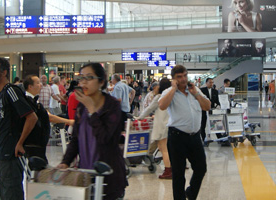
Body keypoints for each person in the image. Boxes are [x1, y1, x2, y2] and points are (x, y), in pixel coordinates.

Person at [57, 63, 128, 199]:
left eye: (89, 78)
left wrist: (92, 111)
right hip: (86, 176)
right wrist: (66, 161)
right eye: (81, 78)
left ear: (101, 81)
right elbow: (76, 139)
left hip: (108, 175)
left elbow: (105, 139)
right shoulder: (81, 107)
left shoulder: (112, 106)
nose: (83, 82)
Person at [158, 65, 211, 200]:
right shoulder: (169, 92)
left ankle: (191, 193)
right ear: (174, 79)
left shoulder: (195, 90)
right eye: (179, 77)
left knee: (201, 168)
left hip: (195, 137)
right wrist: (174, 89)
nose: (183, 79)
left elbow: (207, 106)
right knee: (178, 174)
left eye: (185, 76)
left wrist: (197, 94)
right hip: (177, 137)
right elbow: (162, 106)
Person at [0, 57, 38, 200]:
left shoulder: (10, 91)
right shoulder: (1, 94)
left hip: (11, 154)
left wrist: (20, 142)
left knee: (11, 193)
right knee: (5, 193)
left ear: (4, 72)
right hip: (2, 153)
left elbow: (32, 117)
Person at [23, 75, 74, 163]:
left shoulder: (35, 100)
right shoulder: (28, 101)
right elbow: (49, 117)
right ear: (30, 87)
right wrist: (68, 121)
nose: (40, 85)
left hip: (38, 142)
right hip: (32, 143)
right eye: (38, 83)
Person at [137, 78, 173, 179]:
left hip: (161, 125)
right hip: (170, 124)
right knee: (164, 148)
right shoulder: (171, 96)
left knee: (163, 149)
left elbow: (149, 108)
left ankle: (168, 170)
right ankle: (170, 167)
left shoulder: (159, 97)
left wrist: (140, 117)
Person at [200, 78, 221, 142]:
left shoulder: (215, 91)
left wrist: (223, 104)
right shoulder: (201, 90)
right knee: (202, 125)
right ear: (206, 83)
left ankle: (219, 138)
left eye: (212, 82)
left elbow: (217, 101)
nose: (211, 84)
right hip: (203, 110)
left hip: (212, 111)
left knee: (215, 124)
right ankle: (203, 139)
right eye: (210, 82)